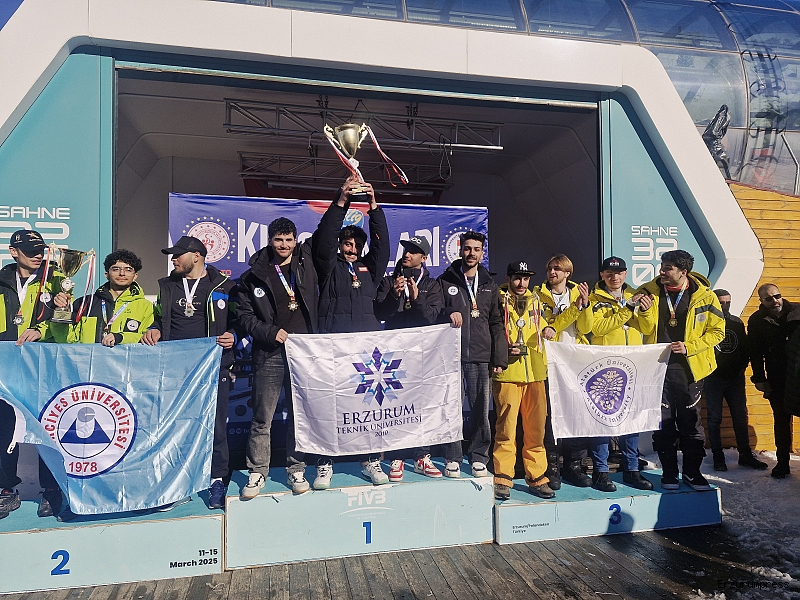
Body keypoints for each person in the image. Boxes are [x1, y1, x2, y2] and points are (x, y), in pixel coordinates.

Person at [140, 236, 238, 509]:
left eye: (178, 255)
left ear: (196, 256)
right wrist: (154, 328)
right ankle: (177, 484)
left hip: (212, 366)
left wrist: (235, 334)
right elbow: (159, 317)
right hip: (175, 368)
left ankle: (216, 480)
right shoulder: (167, 285)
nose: (173, 259)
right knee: (176, 425)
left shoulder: (225, 286)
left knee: (215, 427)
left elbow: (239, 319)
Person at [311, 176, 390, 487]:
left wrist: (374, 207)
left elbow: (383, 245)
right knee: (330, 406)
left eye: (357, 244)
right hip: (334, 348)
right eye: (347, 244)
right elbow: (325, 238)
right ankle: (324, 463)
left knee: (369, 408)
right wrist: (341, 201)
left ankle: (371, 461)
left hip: (366, 352)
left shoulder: (370, 270)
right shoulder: (328, 267)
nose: (352, 249)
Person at [237, 217, 318, 497]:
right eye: (278, 240)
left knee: (299, 416)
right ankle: (258, 472)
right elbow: (244, 316)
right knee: (262, 417)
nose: (284, 245)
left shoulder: (307, 265)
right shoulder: (253, 275)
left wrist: (343, 199)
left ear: (296, 240)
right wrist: (271, 332)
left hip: (303, 355)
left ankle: (296, 468)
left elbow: (327, 230)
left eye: (288, 240)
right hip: (269, 353)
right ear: (270, 241)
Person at [636, 250, 724, 491]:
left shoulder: (705, 296)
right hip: (658, 369)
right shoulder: (649, 291)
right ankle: (669, 474)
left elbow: (718, 332)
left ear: (683, 272)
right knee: (664, 423)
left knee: (690, 423)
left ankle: (692, 473)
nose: (662, 272)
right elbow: (645, 328)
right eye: (662, 266)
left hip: (690, 370)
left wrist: (689, 347)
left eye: (668, 268)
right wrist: (644, 311)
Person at [0, 229, 68, 519]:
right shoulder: (1, 280)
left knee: (47, 427)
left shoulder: (57, 279)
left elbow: (67, 322)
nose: (38, 255)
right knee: (4, 426)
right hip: (7, 365)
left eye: (40, 250)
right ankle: (6, 489)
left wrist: (43, 328)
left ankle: (52, 489)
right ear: (14, 252)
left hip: (43, 364)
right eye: (30, 250)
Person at [375, 235, 444, 481]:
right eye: (405, 249)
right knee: (396, 405)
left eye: (414, 251)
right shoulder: (389, 281)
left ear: (423, 258)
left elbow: (431, 318)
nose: (407, 254)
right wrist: (394, 296)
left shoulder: (432, 285)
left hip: (422, 354)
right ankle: (396, 456)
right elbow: (379, 314)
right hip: (394, 354)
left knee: (422, 404)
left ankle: (421, 456)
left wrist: (417, 299)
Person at [438, 231, 507, 479]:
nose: (471, 253)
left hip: (480, 355)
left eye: (476, 249)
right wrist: (447, 313)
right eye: (467, 248)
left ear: (482, 253)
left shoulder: (489, 284)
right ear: (460, 250)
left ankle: (479, 456)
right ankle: (453, 457)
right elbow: (434, 310)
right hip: (452, 356)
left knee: (480, 410)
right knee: (451, 409)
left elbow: (496, 323)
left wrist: (499, 358)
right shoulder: (446, 280)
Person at [585, 256, 655, 491]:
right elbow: (597, 328)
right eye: (609, 273)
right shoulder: (594, 299)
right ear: (602, 275)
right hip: (605, 367)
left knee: (630, 420)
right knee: (603, 420)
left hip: (631, 366)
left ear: (625, 274)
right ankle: (600, 471)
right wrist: (627, 310)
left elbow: (647, 328)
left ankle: (631, 469)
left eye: (618, 273)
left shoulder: (637, 295)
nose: (614, 277)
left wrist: (645, 311)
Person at [492, 261, 553, 500]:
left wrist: (548, 329)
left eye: (525, 278)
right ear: (508, 278)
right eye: (517, 278)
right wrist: (503, 351)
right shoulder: (498, 299)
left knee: (536, 430)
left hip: (535, 373)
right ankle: (503, 478)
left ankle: (537, 477)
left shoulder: (536, 300)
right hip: (508, 373)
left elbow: (541, 323)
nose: (521, 283)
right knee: (506, 429)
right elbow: (493, 331)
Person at [533, 254, 591, 489]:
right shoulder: (537, 295)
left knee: (575, 415)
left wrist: (584, 306)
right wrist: (571, 311)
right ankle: (552, 466)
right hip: (548, 363)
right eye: (549, 268)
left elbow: (586, 328)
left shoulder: (578, 294)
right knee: (550, 417)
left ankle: (574, 466)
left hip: (574, 363)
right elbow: (546, 328)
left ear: (568, 273)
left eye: (557, 269)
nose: (552, 272)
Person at [705, 289, 767, 472]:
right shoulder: (704, 322)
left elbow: (744, 347)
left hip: (735, 378)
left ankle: (745, 455)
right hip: (713, 378)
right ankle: (718, 457)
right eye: (721, 302)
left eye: (728, 302)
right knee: (714, 418)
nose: (725, 306)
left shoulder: (736, 322)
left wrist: (741, 366)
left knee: (740, 417)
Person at [748, 283, 795, 478]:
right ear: (761, 301)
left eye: (777, 296)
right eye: (769, 299)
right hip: (777, 378)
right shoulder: (757, 320)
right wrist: (759, 378)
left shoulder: (797, 313)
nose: (775, 301)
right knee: (781, 421)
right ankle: (782, 464)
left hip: (798, 375)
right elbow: (755, 352)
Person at [65, 249, 154, 345]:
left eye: (128, 270)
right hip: (90, 355)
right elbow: (68, 338)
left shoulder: (146, 307)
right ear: (107, 275)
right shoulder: (85, 303)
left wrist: (120, 337)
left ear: (135, 276)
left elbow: (146, 339)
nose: (122, 273)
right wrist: (61, 314)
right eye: (116, 269)